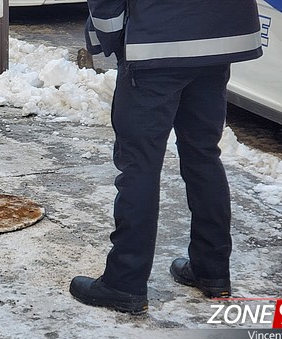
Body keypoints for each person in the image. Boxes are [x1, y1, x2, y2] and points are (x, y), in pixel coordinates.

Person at [69, 0, 263, 314]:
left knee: (140, 164)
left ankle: (125, 281)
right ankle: (212, 270)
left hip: (154, 43)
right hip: (218, 40)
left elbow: (106, 6)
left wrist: (114, 41)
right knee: (203, 155)